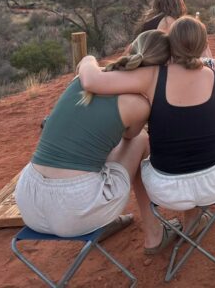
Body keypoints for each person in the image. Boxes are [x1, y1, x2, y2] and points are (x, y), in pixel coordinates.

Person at [79, 19, 215, 250]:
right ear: (205, 45)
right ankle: (194, 219)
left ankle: (153, 231)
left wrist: (87, 60)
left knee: (139, 144)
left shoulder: (154, 76)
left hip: (167, 189)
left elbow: (90, 80)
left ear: (171, 44)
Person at [15, 31, 176, 253]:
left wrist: (89, 60)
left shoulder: (81, 80)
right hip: (78, 208)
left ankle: (106, 221)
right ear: (163, 67)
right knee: (140, 140)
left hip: (28, 201)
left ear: (129, 49)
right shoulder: (138, 105)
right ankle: (154, 234)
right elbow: (128, 139)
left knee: (92, 147)